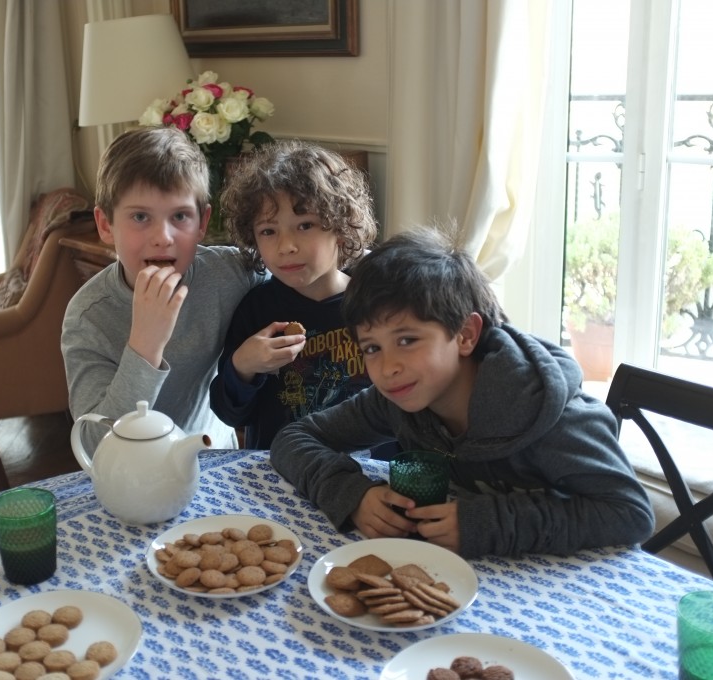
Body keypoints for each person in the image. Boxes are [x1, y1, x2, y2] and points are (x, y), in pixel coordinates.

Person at [269, 226, 655, 559]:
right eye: (372, 347)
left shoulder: (554, 418)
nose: (387, 368)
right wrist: (351, 493)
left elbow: (630, 513)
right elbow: (294, 438)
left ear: (466, 334)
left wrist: (485, 523)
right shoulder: (398, 399)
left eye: (407, 339)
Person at [62, 127, 266, 451]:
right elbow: (93, 445)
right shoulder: (88, 316)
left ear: (202, 222)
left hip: (215, 461)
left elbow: (313, 271)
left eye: (180, 216)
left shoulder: (231, 274)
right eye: (140, 216)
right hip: (133, 478)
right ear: (105, 225)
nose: (163, 237)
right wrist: (145, 345)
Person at [209, 140, 382, 449]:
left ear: (341, 229)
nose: (286, 246)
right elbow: (230, 413)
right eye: (268, 231)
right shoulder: (257, 309)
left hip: (364, 475)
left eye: (305, 225)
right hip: (278, 474)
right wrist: (243, 366)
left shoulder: (377, 305)